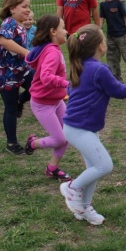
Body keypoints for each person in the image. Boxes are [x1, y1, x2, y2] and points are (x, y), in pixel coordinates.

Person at [59, 24, 126, 225]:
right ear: (101, 46)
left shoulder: (80, 65)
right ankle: (72, 188)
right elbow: (118, 91)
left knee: (93, 168)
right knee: (104, 165)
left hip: (80, 127)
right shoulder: (99, 69)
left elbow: (72, 92)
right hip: (80, 129)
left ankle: (84, 208)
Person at [25, 15, 72, 181]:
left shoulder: (51, 48)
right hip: (43, 104)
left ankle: (52, 168)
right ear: (53, 31)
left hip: (56, 101)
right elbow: (46, 77)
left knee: (67, 135)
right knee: (59, 139)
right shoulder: (52, 52)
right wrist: (66, 83)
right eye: (63, 28)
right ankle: (33, 143)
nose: (66, 31)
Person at [0, 0, 35, 155]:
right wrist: (27, 53)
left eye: (28, 6)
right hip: (6, 73)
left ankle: (20, 100)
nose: (28, 9)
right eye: (24, 6)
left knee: (39, 86)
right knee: (10, 108)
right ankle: (12, 143)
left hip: (22, 69)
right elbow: (3, 41)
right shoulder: (9, 23)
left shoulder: (21, 24)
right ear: (12, 9)